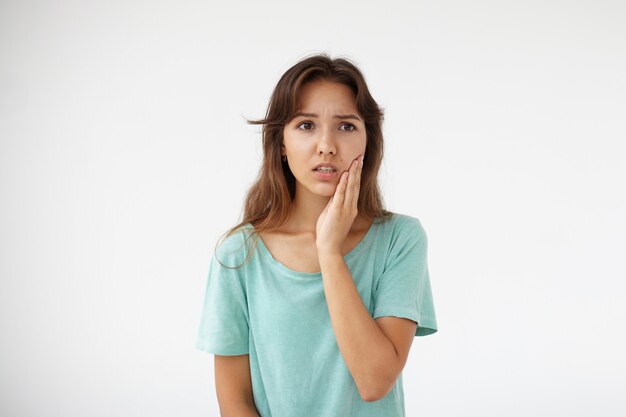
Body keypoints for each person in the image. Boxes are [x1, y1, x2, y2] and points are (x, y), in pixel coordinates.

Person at [195, 53, 437, 417]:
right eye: (306, 125)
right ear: (280, 142)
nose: (326, 145)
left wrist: (330, 252)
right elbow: (236, 402)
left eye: (346, 126)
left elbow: (374, 381)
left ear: (368, 141)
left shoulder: (400, 240)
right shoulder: (238, 255)